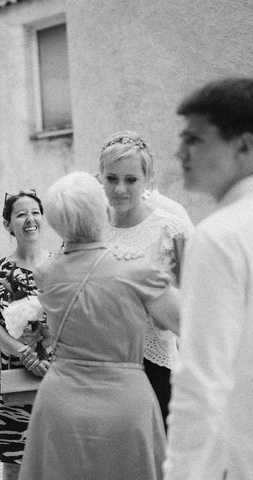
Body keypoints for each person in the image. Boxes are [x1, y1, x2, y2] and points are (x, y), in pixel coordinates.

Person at [19, 172, 179, 480]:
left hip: (59, 405)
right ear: (104, 211)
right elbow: (185, 322)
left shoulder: (45, 272)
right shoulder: (136, 267)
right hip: (124, 406)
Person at [164, 78, 253, 480]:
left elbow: (200, 382)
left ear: (244, 146)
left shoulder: (219, 236)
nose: (180, 152)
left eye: (195, 139)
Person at [99, 131, 192, 424]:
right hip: (101, 364)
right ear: (100, 177)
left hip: (155, 365)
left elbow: (194, 300)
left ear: (148, 180)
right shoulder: (91, 228)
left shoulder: (171, 228)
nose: (120, 189)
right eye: (112, 178)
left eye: (131, 180)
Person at [0, 190, 51, 480]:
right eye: (21, 214)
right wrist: (24, 352)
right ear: (8, 225)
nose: (29, 219)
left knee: (54, 452)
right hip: (14, 369)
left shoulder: (60, 265)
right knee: (14, 458)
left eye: (35, 212)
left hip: (55, 370)